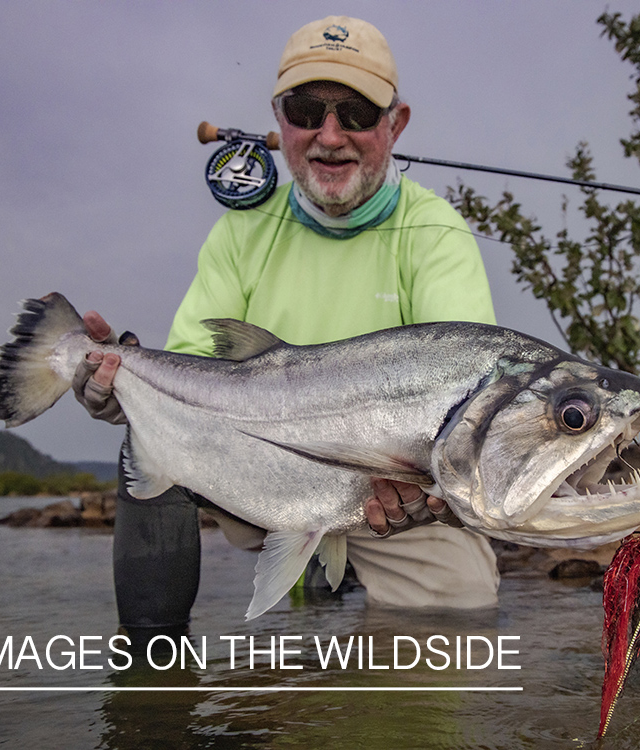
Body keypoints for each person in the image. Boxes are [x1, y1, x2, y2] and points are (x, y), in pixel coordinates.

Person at [74, 15, 499, 641]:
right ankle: (150, 675)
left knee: (460, 614)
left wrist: (426, 487)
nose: (330, 137)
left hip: (397, 494)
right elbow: (186, 375)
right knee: (152, 437)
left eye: (355, 113)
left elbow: (469, 396)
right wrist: (123, 380)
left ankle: (335, 579)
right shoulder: (242, 230)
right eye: (307, 110)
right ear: (280, 120)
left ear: (396, 123)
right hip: (248, 473)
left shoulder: (438, 231)